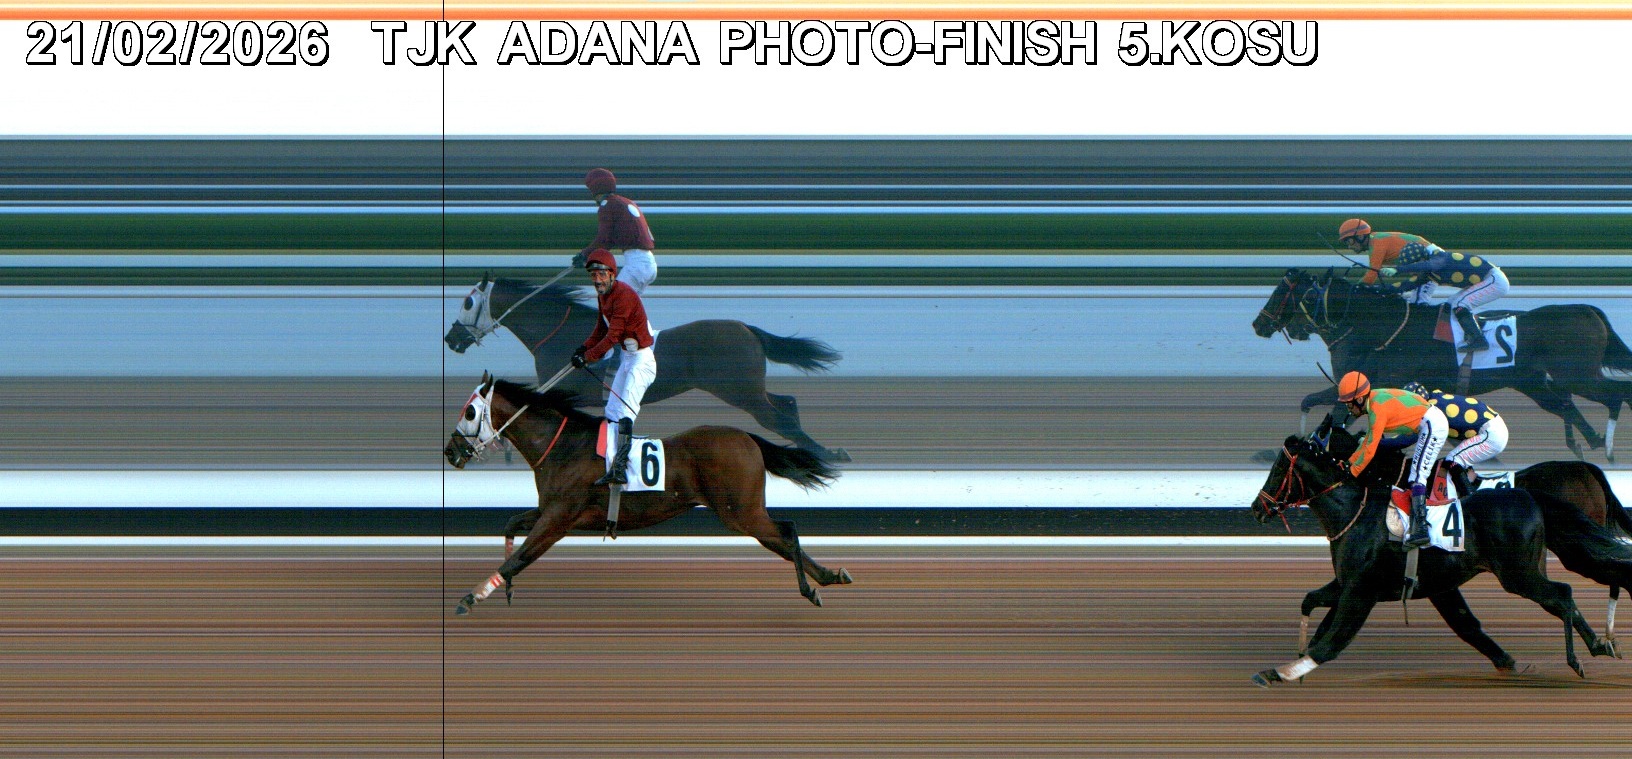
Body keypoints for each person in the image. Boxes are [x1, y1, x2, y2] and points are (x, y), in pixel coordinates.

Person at [571, 249, 656, 486]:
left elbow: (612, 336)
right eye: (593, 275)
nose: (597, 280)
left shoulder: (624, 296)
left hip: (642, 361)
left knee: (626, 412)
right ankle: (608, 463)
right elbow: (600, 329)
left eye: (601, 274)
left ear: (611, 274)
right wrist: (582, 348)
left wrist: (588, 357)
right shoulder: (603, 296)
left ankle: (621, 469)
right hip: (628, 360)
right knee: (611, 411)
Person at [1338, 371, 1448, 548]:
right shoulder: (1374, 400)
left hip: (1432, 424)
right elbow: (1367, 441)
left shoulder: (1377, 409)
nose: (1348, 409)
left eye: (1349, 404)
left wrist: (1351, 473)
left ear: (1359, 399)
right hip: (1428, 422)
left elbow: (1371, 449)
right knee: (1415, 476)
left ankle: (1421, 530)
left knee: (1418, 476)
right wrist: (1350, 462)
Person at [1378, 246, 1509, 353]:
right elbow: (1406, 285)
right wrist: (1376, 290)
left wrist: (1398, 270)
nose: (1412, 273)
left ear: (1421, 260)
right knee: (1450, 304)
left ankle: (1479, 340)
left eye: (1412, 267)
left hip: (1494, 280)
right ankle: (1464, 335)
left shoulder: (1439, 258)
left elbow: (1428, 265)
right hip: (1488, 280)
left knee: (1460, 304)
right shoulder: (1429, 273)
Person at [1402, 382, 1508, 497]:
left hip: (1492, 432)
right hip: (1493, 428)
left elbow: (1408, 439)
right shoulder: (1436, 398)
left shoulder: (1431, 409)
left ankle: (1470, 497)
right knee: (1454, 459)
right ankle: (1467, 491)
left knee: (1453, 459)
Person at [575, 168, 657, 296]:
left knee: (611, 300)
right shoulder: (626, 202)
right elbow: (610, 241)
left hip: (636, 265)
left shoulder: (607, 205)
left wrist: (584, 255)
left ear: (595, 189)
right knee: (629, 306)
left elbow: (604, 240)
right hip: (649, 264)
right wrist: (588, 256)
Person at [1338, 219, 1442, 295]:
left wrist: (1354, 289)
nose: (1349, 246)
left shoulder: (1377, 244)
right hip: (1431, 258)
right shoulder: (1375, 240)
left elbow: (1372, 274)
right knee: (1414, 301)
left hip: (1432, 261)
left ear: (1360, 236)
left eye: (1349, 241)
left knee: (1420, 301)